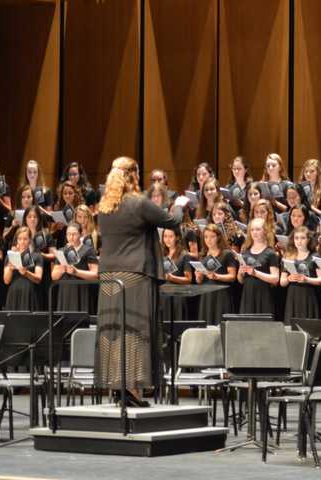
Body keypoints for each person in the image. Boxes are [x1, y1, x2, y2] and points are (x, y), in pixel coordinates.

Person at [94, 156, 188, 407]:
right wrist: (178, 204)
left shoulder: (104, 206)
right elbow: (173, 222)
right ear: (133, 175)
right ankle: (133, 392)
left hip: (109, 278)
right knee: (136, 332)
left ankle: (118, 388)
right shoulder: (138, 203)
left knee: (115, 332)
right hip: (135, 275)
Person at [194, 224, 238, 325]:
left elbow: (232, 276)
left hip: (221, 294)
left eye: (212, 236)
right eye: (206, 237)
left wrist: (216, 276)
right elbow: (199, 281)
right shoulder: (203, 255)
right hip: (206, 294)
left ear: (218, 237)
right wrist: (198, 277)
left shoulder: (226, 254)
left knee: (219, 323)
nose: (208, 240)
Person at [52, 222, 98, 313]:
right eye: (68, 234)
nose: (71, 237)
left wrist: (76, 272)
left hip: (81, 291)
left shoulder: (88, 250)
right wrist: (62, 270)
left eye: (74, 234)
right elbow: (53, 276)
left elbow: (95, 275)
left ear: (80, 234)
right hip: (65, 291)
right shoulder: (62, 251)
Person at [237, 217, 280, 314]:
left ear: (265, 231)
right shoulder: (245, 252)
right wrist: (240, 272)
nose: (254, 232)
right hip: (248, 294)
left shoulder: (270, 253)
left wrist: (255, 273)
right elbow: (240, 280)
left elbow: (275, 279)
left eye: (258, 229)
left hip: (264, 295)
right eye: (252, 230)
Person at [279, 226, 321, 323]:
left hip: (308, 295)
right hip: (293, 296)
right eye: (296, 238)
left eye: (302, 238)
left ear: (308, 240)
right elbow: (282, 282)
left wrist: (307, 279)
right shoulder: (288, 256)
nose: (299, 241)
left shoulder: (315, 256)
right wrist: (289, 279)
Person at [4, 226, 43, 311]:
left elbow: (38, 279)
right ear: (17, 240)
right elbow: (6, 281)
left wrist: (26, 273)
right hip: (14, 292)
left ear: (30, 240)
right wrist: (10, 269)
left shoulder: (36, 256)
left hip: (29, 292)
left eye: (25, 239)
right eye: (20, 239)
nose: (22, 242)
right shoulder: (10, 256)